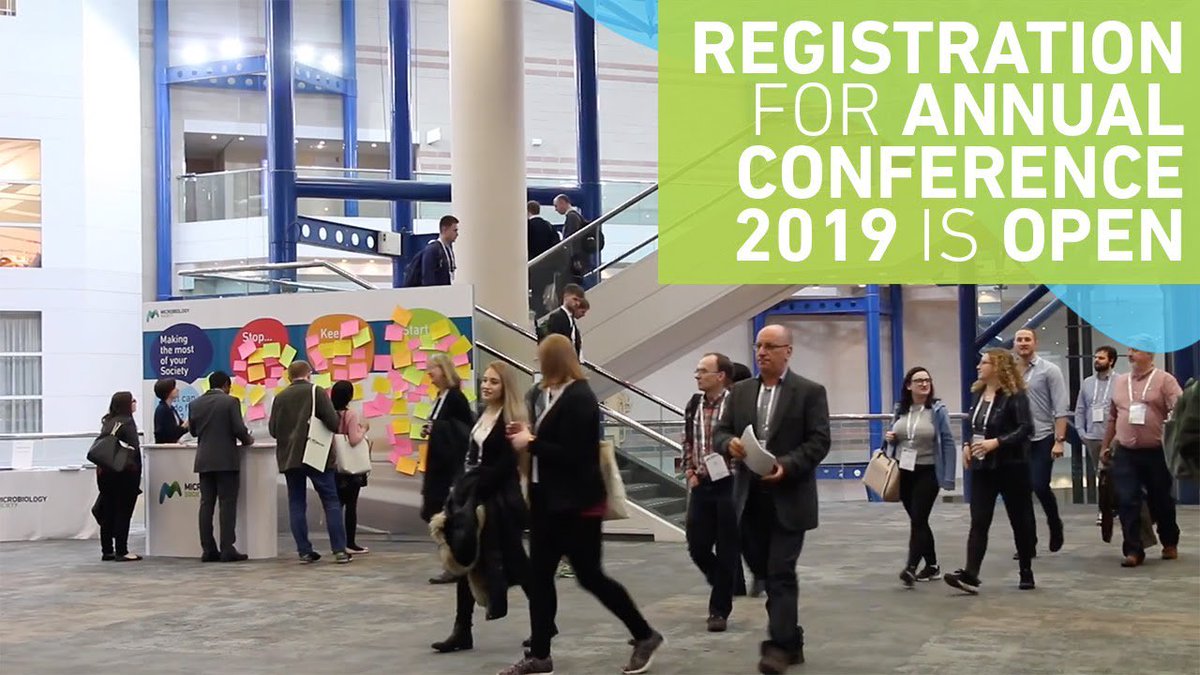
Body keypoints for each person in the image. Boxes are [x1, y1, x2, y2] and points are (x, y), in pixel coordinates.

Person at [501, 334, 664, 675]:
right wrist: (528, 434)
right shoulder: (545, 395)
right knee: (540, 577)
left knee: (590, 576)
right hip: (546, 502)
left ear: (554, 361)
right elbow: (548, 440)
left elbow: (574, 455)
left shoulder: (580, 397)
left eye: (541, 358)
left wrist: (531, 443)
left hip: (577, 506)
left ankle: (644, 634)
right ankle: (540, 654)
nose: (537, 364)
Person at [714, 324, 831, 675]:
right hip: (749, 499)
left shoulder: (810, 392)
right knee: (764, 572)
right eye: (758, 346)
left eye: (770, 346)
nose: (762, 352)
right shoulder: (739, 392)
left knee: (781, 573)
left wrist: (787, 465)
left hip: (790, 498)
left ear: (787, 351)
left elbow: (819, 441)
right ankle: (792, 639)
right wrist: (729, 444)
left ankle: (778, 647)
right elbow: (721, 432)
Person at [431, 362, 531, 653]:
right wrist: (463, 490)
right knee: (467, 559)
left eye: (494, 382)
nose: (486, 386)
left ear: (505, 386)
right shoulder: (483, 414)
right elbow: (472, 458)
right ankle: (462, 630)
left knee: (519, 566)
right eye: (485, 380)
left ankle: (544, 625)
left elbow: (505, 465)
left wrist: (473, 487)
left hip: (499, 503)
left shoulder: (510, 418)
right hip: (475, 499)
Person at [944, 349, 1036, 594]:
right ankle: (970, 573)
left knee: (1020, 519)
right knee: (979, 520)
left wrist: (997, 442)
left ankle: (1026, 570)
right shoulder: (977, 393)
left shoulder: (1015, 396)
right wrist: (967, 445)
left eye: (984, 363)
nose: (978, 367)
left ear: (998, 367)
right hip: (983, 466)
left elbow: (1026, 428)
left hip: (1012, 466)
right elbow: (972, 426)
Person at [1101, 344, 1183, 567]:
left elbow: (1180, 408)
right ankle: (1133, 550)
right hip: (1125, 452)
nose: (1130, 354)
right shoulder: (1120, 382)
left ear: (1149, 354)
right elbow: (1112, 417)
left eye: (1136, 350)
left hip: (1156, 452)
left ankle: (1169, 541)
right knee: (1127, 499)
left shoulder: (1165, 380)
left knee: (1161, 499)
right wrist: (1106, 446)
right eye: (1129, 350)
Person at [268, 361, 352, 564]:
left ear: (290, 376)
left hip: (290, 457)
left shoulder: (280, 397)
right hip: (317, 454)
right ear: (309, 374)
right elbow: (333, 423)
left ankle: (304, 551)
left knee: (296, 503)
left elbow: (273, 430)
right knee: (331, 501)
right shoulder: (317, 392)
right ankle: (339, 550)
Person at [682, 352, 740, 632]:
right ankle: (724, 583)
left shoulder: (736, 405)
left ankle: (719, 611)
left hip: (730, 483)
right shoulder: (694, 404)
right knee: (697, 545)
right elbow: (688, 440)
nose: (697, 375)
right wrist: (689, 471)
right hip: (702, 483)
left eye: (703, 371)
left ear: (720, 376)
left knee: (728, 548)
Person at [884, 367, 957, 586]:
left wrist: (948, 476)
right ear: (909, 385)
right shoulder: (900, 409)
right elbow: (895, 436)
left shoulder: (937, 410)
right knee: (919, 521)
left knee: (918, 519)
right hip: (904, 470)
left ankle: (911, 567)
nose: (924, 384)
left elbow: (948, 442)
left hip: (928, 470)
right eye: (919, 381)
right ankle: (932, 566)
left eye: (927, 380)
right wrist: (890, 438)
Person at [1013, 328, 1070, 555]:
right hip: (1017, 440)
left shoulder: (1049, 370)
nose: (1023, 343)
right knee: (1021, 492)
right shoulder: (1010, 372)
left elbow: (1060, 407)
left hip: (1043, 436)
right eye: (1019, 340)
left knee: (1039, 485)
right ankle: (1028, 543)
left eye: (1027, 339)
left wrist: (1059, 440)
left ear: (1035, 343)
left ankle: (1054, 523)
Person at [189, 371, 254, 562]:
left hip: (203, 460)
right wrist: (248, 439)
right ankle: (227, 549)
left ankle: (208, 549)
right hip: (226, 460)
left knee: (206, 505)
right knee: (227, 505)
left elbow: (193, 432)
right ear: (226, 385)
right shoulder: (230, 402)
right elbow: (238, 429)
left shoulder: (195, 403)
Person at [422, 352, 475, 583]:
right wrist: (431, 429)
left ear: (444, 371)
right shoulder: (440, 396)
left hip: (450, 467)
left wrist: (438, 429)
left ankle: (455, 564)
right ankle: (452, 562)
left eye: (432, 368)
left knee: (448, 515)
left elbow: (463, 431)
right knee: (436, 511)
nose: (428, 373)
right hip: (438, 465)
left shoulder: (455, 398)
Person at [95, 391, 143, 562]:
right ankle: (122, 550)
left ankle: (107, 550)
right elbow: (133, 449)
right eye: (132, 400)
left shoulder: (108, 421)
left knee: (108, 511)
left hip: (105, 472)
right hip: (124, 474)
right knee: (123, 511)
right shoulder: (128, 422)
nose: (135, 403)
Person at [1074, 346, 1119, 524]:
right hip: (1092, 436)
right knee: (1101, 474)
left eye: (1101, 358)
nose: (1097, 361)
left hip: (1114, 438)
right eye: (1096, 357)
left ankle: (1111, 508)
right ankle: (1105, 509)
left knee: (1113, 473)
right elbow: (1080, 409)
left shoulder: (1120, 381)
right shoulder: (1087, 383)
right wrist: (1081, 432)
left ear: (1111, 361)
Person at [330, 380, 370, 555]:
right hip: (351, 466)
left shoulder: (329, 413)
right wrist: (363, 429)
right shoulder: (351, 414)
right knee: (351, 505)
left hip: (334, 464)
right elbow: (353, 440)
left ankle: (337, 543)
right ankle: (350, 543)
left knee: (336, 505)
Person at [527, 200, 562, 316]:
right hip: (547, 266)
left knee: (535, 294)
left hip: (533, 266)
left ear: (528, 211)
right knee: (542, 293)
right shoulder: (548, 226)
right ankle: (543, 314)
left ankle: (538, 315)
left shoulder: (528, 226)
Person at [405, 215, 459, 287]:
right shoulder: (432, 250)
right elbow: (428, 277)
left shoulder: (448, 250)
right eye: (455, 230)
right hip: (436, 292)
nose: (457, 234)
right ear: (444, 229)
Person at [539, 283, 585, 357]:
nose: (577, 303)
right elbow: (554, 342)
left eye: (579, 301)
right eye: (575, 299)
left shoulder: (570, 319)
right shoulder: (557, 317)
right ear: (565, 296)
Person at [153, 377, 188, 443]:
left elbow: (180, 426)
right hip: (165, 446)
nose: (177, 390)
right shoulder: (162, 410)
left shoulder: (171, 408)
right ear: (167, 392)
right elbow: (171, 432)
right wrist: (184, 426)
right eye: (174, 388)